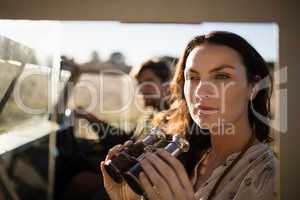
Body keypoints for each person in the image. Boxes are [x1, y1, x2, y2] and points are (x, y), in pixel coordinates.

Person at [101, 31, 277, 200]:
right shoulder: (192, 154)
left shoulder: (269, 178)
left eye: (222, 76)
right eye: (193, 78)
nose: (200, 92)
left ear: (253, 87)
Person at [60, 59, 174, 200]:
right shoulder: (150, 115)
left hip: (135, 185)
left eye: (149, 82)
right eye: (140, 84)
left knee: (80, 183)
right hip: (123, 173)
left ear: (166, 84)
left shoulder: (172, 121)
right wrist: (93, 120)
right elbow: (128, 140)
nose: (142, 89)